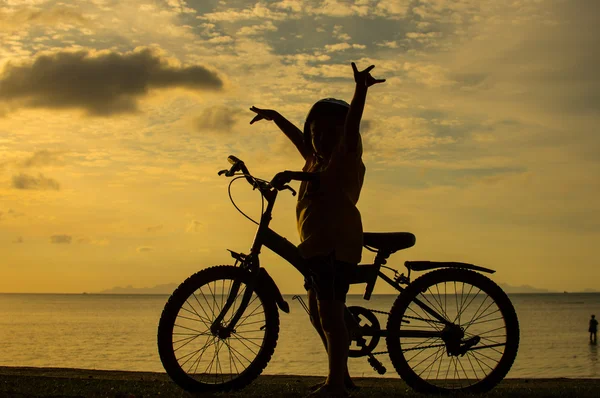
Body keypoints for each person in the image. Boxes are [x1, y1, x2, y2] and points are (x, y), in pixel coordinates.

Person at [250, 62, 385, 398]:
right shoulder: (314, 160)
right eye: (317, 132)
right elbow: (300, 137)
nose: (321, 137)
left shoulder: (344, 157)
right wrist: (276, 116)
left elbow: (351, 126)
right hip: (316, 246)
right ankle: (341, 376)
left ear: (344, 136)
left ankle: (336, 385)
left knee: (330, 315)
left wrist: (360, 91)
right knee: (319, 313)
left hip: (336, 245)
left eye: (331, 132)